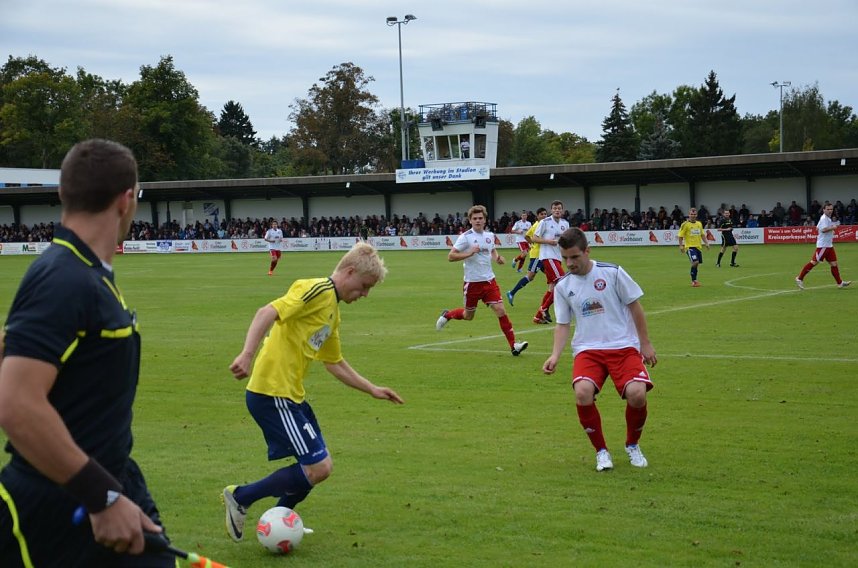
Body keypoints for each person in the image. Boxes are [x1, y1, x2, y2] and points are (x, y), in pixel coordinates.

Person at [0, 139, 173, 566]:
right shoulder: (63, 278)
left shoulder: (86, 274)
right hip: (59, 507)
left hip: (109, 483)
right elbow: (16, 403)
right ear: (126, 200)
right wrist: (103, 497)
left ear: (63, 193)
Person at [223, 242, 403, 541]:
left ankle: (281, 520)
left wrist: (372, 389)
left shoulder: (333, 311)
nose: (365, 294)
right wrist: (246, 354)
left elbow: (334, 363)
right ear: (348, 272)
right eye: (364, 286)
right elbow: (267, 311)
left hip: (292, 396)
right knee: (318, 467)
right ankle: (241, 497)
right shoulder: (316, 290)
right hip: (271, 393)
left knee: (318, 466)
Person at [542, 228, 657, 472]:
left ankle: (632, 445)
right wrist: (554, 355)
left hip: (623, 346)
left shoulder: (613, 273)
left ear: (587, 251)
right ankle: (601, 452)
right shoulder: (562, 286)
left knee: (637, 394)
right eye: (565, 258)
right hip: (588, 349)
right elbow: (562, 325)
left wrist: (645, 344)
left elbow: (635, 307)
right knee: (582, 393)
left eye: (574, 257)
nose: (570, 263)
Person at [436, 205, 529, 356]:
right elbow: (451, 256)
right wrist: (469, 253)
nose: (478, 221)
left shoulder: (490, 235)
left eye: (480, 218)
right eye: (475, 218)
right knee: (468, 316)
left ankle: (514, 345)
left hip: (489, 281)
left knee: (500, 310)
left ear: (485, 220)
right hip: (472, 283)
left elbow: (491, 249)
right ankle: (448, 315)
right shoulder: (465, 237)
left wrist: (497, 258)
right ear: (470, 220)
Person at [795, 203, 852, 290]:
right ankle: (799, 278)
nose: (830, 211)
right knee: (814, 262)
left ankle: (840, 283)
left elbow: (817, 228)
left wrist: (830, 230)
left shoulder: (826, 219)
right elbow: (823, 229)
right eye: (828, 209)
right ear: (824, 210)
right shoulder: (824, 218)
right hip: (823, 246)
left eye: (831, 209)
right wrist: (833, 228)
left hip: (829, 245)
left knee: (834, 264)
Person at [530, 200, 569, 323]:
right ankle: (544, 308)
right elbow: (534, 238)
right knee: (562, 283)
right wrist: (548, 242)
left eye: (559, 208)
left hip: (558, 258)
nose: (557, 210)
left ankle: (538, 316)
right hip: (547, 257)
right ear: (551, 210)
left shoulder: (565, 224)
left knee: (552, 287)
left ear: (562, 210)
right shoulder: (545, 222)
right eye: (555, 208)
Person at [507, 208, 547, 308]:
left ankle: (549, 304)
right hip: (537, 256)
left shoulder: (534, 224)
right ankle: (511, 293)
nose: (544, 216)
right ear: (537, 216)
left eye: (545, 214)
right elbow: (527, 236)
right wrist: (534, 244)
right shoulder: (537, 225)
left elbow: (527, 236)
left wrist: (532, 243)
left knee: (554, 278)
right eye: (542, 214)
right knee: (530, 276)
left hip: (543, 255)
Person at [677, 207, 710, 287]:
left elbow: (702, 234)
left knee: (697, 264)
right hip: (690, 247)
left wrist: (706, 243)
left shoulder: (699, 224)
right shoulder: (685, 224)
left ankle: (695, 280)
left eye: (694, 214)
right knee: (695, 262)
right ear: (689, 215)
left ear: (696, 215)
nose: (693, 215)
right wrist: (681, 245)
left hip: (698, 247)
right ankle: (693, 280)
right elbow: (680, 236)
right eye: (691, 214)